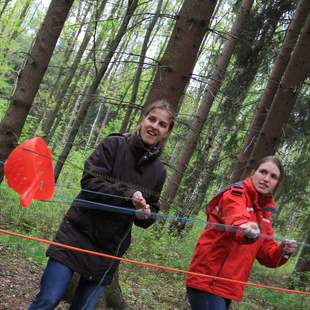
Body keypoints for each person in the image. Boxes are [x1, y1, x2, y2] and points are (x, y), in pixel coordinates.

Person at [28, 100, 175, 310]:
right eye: (151, 119)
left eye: (162, 124)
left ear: (167, 132)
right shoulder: (114, 145)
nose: (154, 126)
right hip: (77, 234)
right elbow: (90, 183)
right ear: (143, 119)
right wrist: (128, 196)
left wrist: (145, 215)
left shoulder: (159, 172)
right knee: (47, 300)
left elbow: (152, 210)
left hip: (108, 249)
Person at [186, 156, 297, 310]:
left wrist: (284, 252)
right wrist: (247, 229)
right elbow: (236, 220)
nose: (266, 179)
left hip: (227, 287)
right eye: (263, 172)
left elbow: (268, 256)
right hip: (208, 281)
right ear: (253, 172)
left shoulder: (264, 214)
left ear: (277, 183)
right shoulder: (235, 193)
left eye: (273, 177)